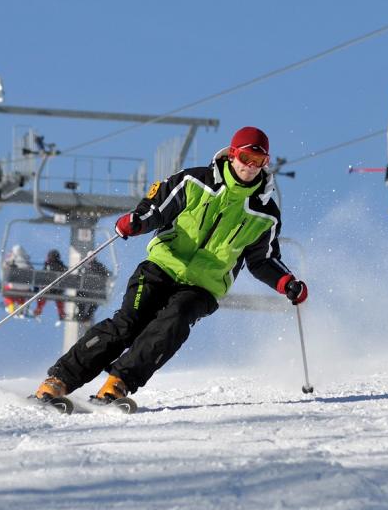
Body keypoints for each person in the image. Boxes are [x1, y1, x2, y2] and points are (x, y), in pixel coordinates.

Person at [33, 126, 309, 405]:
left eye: (258, 162)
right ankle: (59, 380)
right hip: (162, 265)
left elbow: (262, 260)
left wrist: (286, 282)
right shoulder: (194, 181)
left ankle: (118, 384)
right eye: (246, 158)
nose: (250, 168)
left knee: (174, 322)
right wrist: (137, 221)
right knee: (128, 324)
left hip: (205, 285)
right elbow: (158, 206)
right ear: (232, 154)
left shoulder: (265, 213)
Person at [34, 249, 69, 322]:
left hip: (48, 289)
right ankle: (61, 313)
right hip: (58, 290)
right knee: (59, 300)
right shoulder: (62, 266)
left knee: (42, 297)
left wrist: (36, 288)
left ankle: (39, 309)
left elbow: (40, 277)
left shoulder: (47, 266)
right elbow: (67, 276)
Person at [1, 244, 34, 317]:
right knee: (21, 294)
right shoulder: (27, 260)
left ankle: (11, 307)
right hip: (26, 286)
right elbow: (32, 272)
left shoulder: (12, 259)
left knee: (7, 292)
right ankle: (21, 307)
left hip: (14, 285)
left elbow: (4, 268)